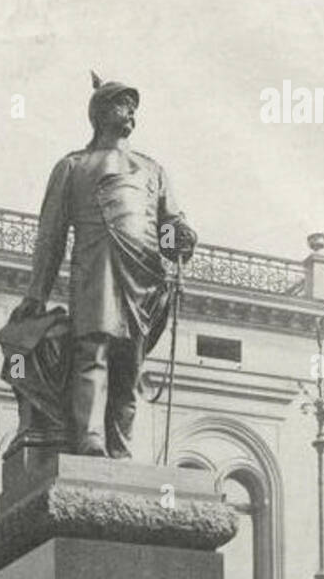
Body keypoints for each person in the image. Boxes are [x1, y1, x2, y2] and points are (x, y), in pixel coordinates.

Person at [10, 74, 196, 458]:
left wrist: (177, 238)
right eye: (121, 104)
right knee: (92, 351)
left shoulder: (152, 170)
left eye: (133, 107)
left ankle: (121, 448)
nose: (130, 113)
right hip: (95, 268)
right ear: (99, 113)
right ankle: (90, 439)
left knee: (129, 365)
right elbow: (52, 236)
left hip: (143, 276)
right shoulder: (73, 166)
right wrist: (36, 293)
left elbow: (164, 226)